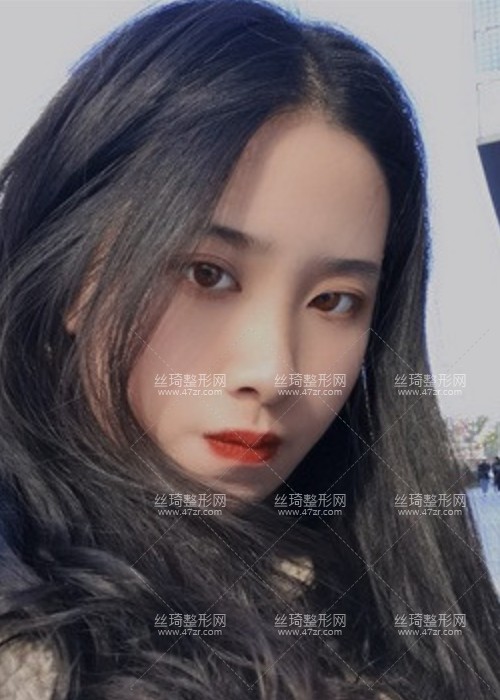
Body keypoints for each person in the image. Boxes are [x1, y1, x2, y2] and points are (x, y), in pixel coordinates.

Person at [0, 1, 499, 699]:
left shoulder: (394, 593)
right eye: (207, 274)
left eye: (334, 301)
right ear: (76, 276)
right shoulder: (39, 647)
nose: (274, 372)